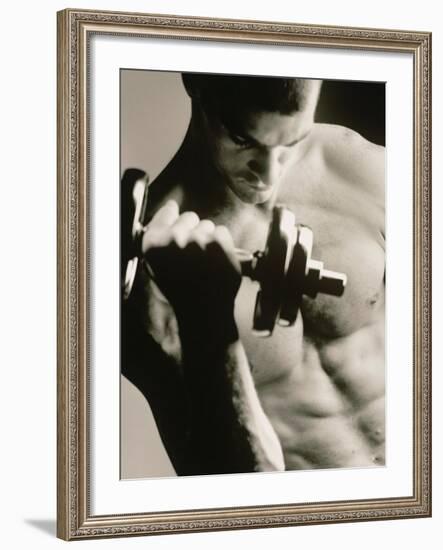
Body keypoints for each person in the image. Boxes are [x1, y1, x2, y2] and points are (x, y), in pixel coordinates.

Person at [121, 73, 385, 476]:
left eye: (290, 144)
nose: (268, 174)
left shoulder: (366, 171)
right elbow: (226, 487)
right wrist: (206, 320)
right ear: (196, 83)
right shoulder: (145, 278)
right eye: (244, 140)